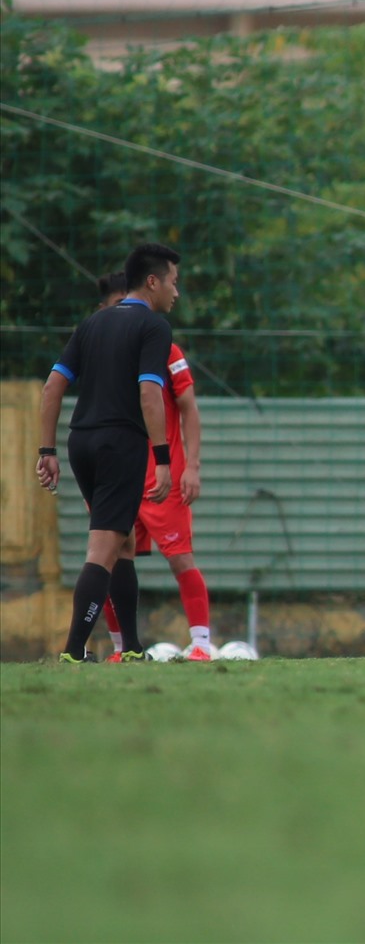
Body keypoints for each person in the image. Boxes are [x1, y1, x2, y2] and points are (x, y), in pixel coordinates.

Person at [36, 243, 182, 663]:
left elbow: (52, 387)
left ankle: (132, 647)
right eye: (174, 282)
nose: (176, 292)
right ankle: (73, 650)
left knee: (123, 543)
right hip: (120, 443)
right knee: (103, 546)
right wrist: (164, 458)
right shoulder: (153, 328)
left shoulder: (91, 324)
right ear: (152, 282)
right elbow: (150, 394)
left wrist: (46, 449)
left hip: (80, 441)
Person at [87, 273, 217, 663]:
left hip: (163, 476)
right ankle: (121, 648)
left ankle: (201, 645)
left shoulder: (165, 350)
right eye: (115, 309)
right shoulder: (98, 353)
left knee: (180, 557)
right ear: (102, 312)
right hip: (116, 476)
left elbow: (189, 408)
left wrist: (190, 466)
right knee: (109, 560)